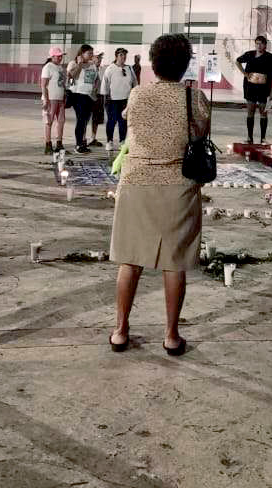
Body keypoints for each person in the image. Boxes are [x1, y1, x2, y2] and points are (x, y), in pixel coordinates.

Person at [109, 33, 209, 356]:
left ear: (153, 63)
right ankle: (171, 335)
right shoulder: (194, 99)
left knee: (130, 260)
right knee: (174, 263)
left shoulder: (138, 95)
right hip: (177, 186)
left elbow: (129, 122)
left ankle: (121, 330)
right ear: (185, 65)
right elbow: (200, 133)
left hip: (136, 183)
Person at [235, 35, 272, 145]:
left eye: (261, 43)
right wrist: (245, 74)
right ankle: (249, 137)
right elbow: (237, 61)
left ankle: (263, 138)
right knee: (250, 112)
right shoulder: (249, 54)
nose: (259, 45)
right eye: (257, 43)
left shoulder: (270, 57)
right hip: (250, 87)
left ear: (265, 45)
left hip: (265, 88)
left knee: (263, 112)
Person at [101, 48, 136, 151]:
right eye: (121, 55)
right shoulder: (110, 68)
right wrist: (106, 97)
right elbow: (105, 84)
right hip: (112, 100)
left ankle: (122, 141)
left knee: (123, 122)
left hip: (125, 100)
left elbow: (135, 82)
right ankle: (109, 141)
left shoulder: (129, 68)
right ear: (116, 56)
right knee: (111, 121)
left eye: (124, 55)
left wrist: (134, 95)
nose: (123, 57)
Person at [67, 44, 99, 153]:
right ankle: (78, 144)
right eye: (89, 53)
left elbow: (96, 80)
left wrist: (95, 91)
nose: (91, 55)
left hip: (89, 95)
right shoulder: (74, 63)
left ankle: (82, 142)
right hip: (77, 94)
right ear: (82, 53)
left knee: (85, 120)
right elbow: (72, 76)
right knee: (81, 120)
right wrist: (80, 64)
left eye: (92, 53)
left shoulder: (92, 65)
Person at [40, 46, 68, 155]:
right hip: (51, 98)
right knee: (49, 121)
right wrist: (45, 99)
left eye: (61, 56)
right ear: (52, 56)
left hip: (60, 98)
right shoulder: (48, 67)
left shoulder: (60, 68)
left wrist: (65, 94)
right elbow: (43, 85)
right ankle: (48, 144)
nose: (60, 57)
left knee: (61, 120)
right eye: (58, 56)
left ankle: (59, 143)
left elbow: (62, 84)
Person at [88, 51, 106, 147]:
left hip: (99, 96)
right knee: (85, 118)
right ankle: (82, 139)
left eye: (100, 57)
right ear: (92, 58)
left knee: (96, 118)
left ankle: (93, 138)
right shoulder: (89, 68)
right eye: (97, 57)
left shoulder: (102, 69)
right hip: (89, 95)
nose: (99, 59)